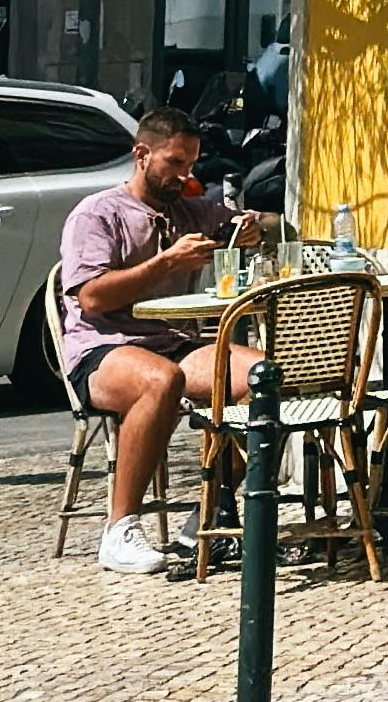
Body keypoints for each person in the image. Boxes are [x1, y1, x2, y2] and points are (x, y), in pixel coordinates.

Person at [58, 103, 272, 576]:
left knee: (263, 378)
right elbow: (91, 298)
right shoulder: (98, 214)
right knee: (160, 380)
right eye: (174, 163)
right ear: (141, 154)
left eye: (192, 164)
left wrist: (253, 227)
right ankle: (120, 530)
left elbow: (261, 224)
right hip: (103, 347)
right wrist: (165, 264)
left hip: (177, 341)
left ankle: (206, 519)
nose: (184, 175)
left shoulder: (190, 210)